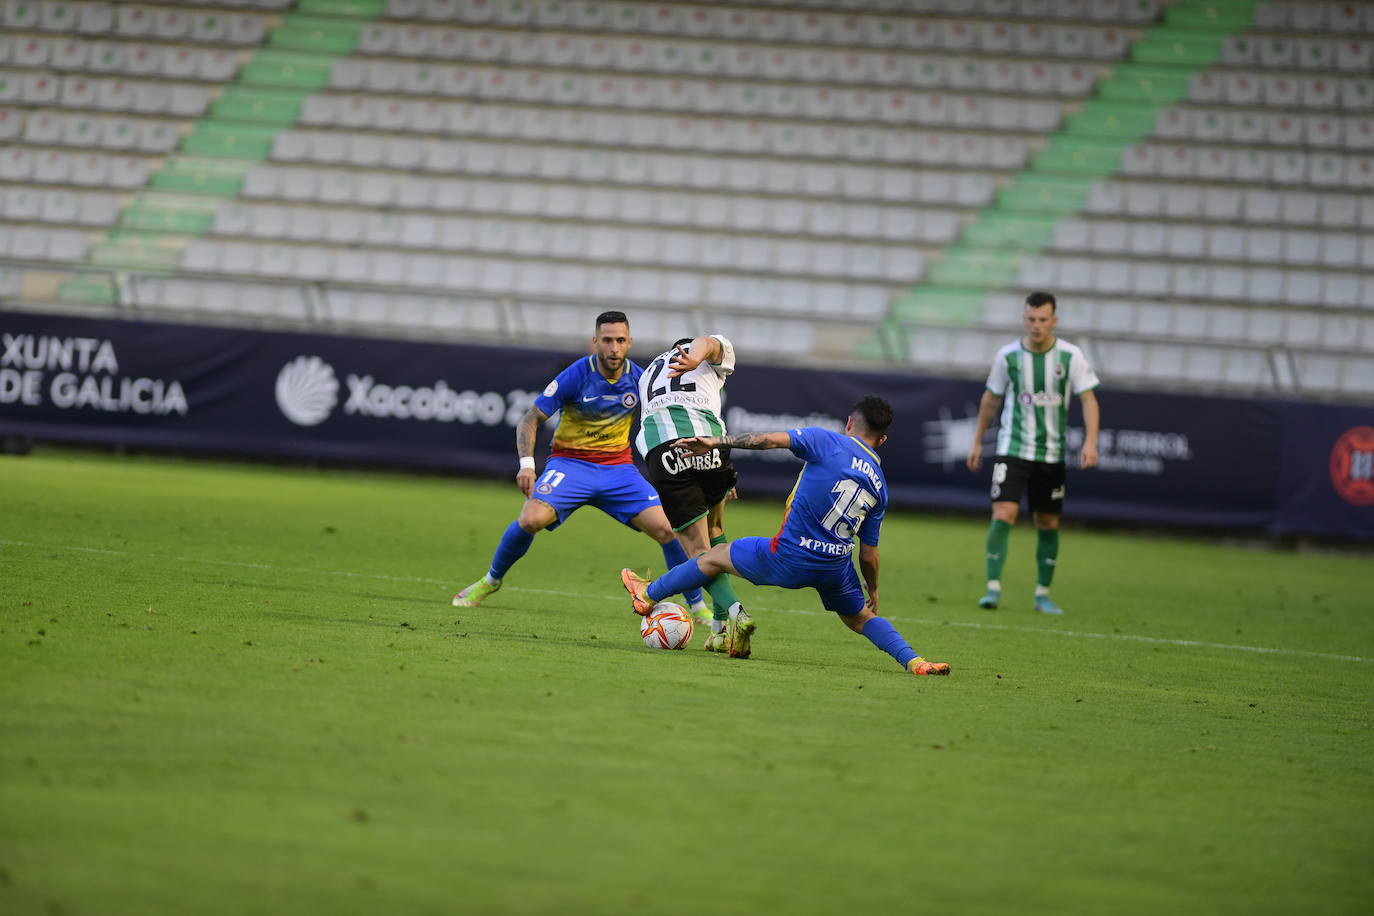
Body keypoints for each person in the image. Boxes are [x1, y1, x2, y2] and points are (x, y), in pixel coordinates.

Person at [620, 397, 951, 676]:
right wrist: (873, 587)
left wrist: (717, 442)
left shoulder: (827, 440)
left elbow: (769, 440)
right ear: (882, 441)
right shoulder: (880, 485)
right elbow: (869, 555)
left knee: (710, 557)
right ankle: (916, 662)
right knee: (861, 618)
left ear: (849, 423)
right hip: (835, 568)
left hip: (788, 556)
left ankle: (648, 595)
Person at [453, 311, 708, 617]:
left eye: (620, 340)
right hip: (570, 466)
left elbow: (668, 419)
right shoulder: (577, 374)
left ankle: (697, 606)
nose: (614, 348)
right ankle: (491, 580)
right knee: (530, 519)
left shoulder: (640, 379)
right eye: (607, 340)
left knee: (669, 529)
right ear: (595, 343)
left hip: (619, 471)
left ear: (630, 342)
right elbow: (530, 419)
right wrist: (527, 465)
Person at [966, 291, 1100, 615]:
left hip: (1051, 455)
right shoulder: (1008, 356)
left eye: (1043, 320)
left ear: (1054, 321)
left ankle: (1042, 593)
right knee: (1003, 514)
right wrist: (977, 441)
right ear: (1024, 319)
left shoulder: (1071, 356)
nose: (1037, 326)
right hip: (1012, 448)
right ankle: (992, 588)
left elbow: (1089, 400)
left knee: (1048, 522)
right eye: (1031, 319)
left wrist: (1091, 441)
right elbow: (990, 399)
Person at [635, 333, 750, 652]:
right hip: (712, 445)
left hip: (666, 452)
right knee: (715, 531)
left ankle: (736, 615)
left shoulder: (647, 373)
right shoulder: (705, 358)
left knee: (698, 553)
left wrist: (692, 355)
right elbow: (710, 341)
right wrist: (698, 355)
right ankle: (718, 628)